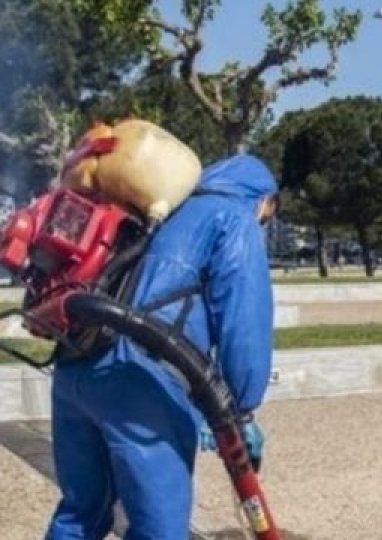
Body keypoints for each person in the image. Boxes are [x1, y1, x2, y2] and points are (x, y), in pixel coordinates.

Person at [45, 155, 278, 539]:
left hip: (76, 363)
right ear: (264, 200)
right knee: (160, 526)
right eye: (269, 214)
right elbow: (244, 323)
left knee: (80, 513)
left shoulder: (159, 208)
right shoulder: (234, 219)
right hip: (142, 380)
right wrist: (243, 408)